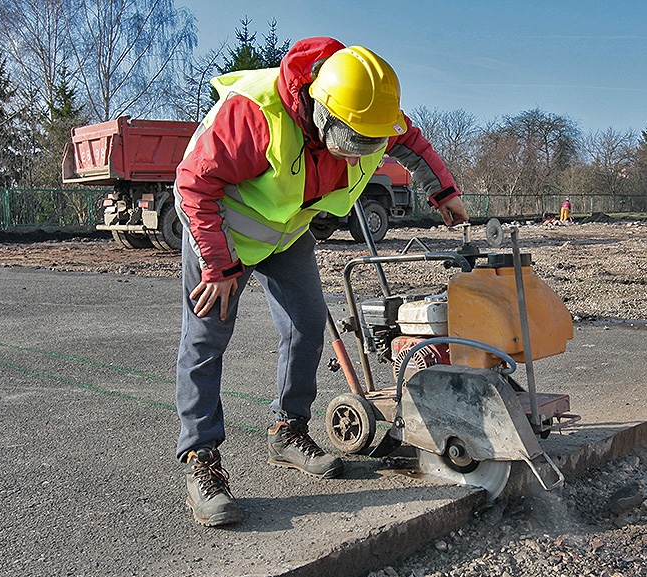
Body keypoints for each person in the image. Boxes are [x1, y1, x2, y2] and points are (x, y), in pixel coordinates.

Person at [173, 36, 468, 526]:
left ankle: (287, 432)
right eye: (356, 142)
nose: (364, 154)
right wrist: (218, 266)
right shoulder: (253, 116)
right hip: (222, 233)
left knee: (309, 326)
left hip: (285, 233)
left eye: (373, 142)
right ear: (322, 111)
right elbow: (193, 183)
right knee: (205, 341)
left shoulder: (367, 108)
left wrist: (445, 190)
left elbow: (411, 142)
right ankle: (200, 460)